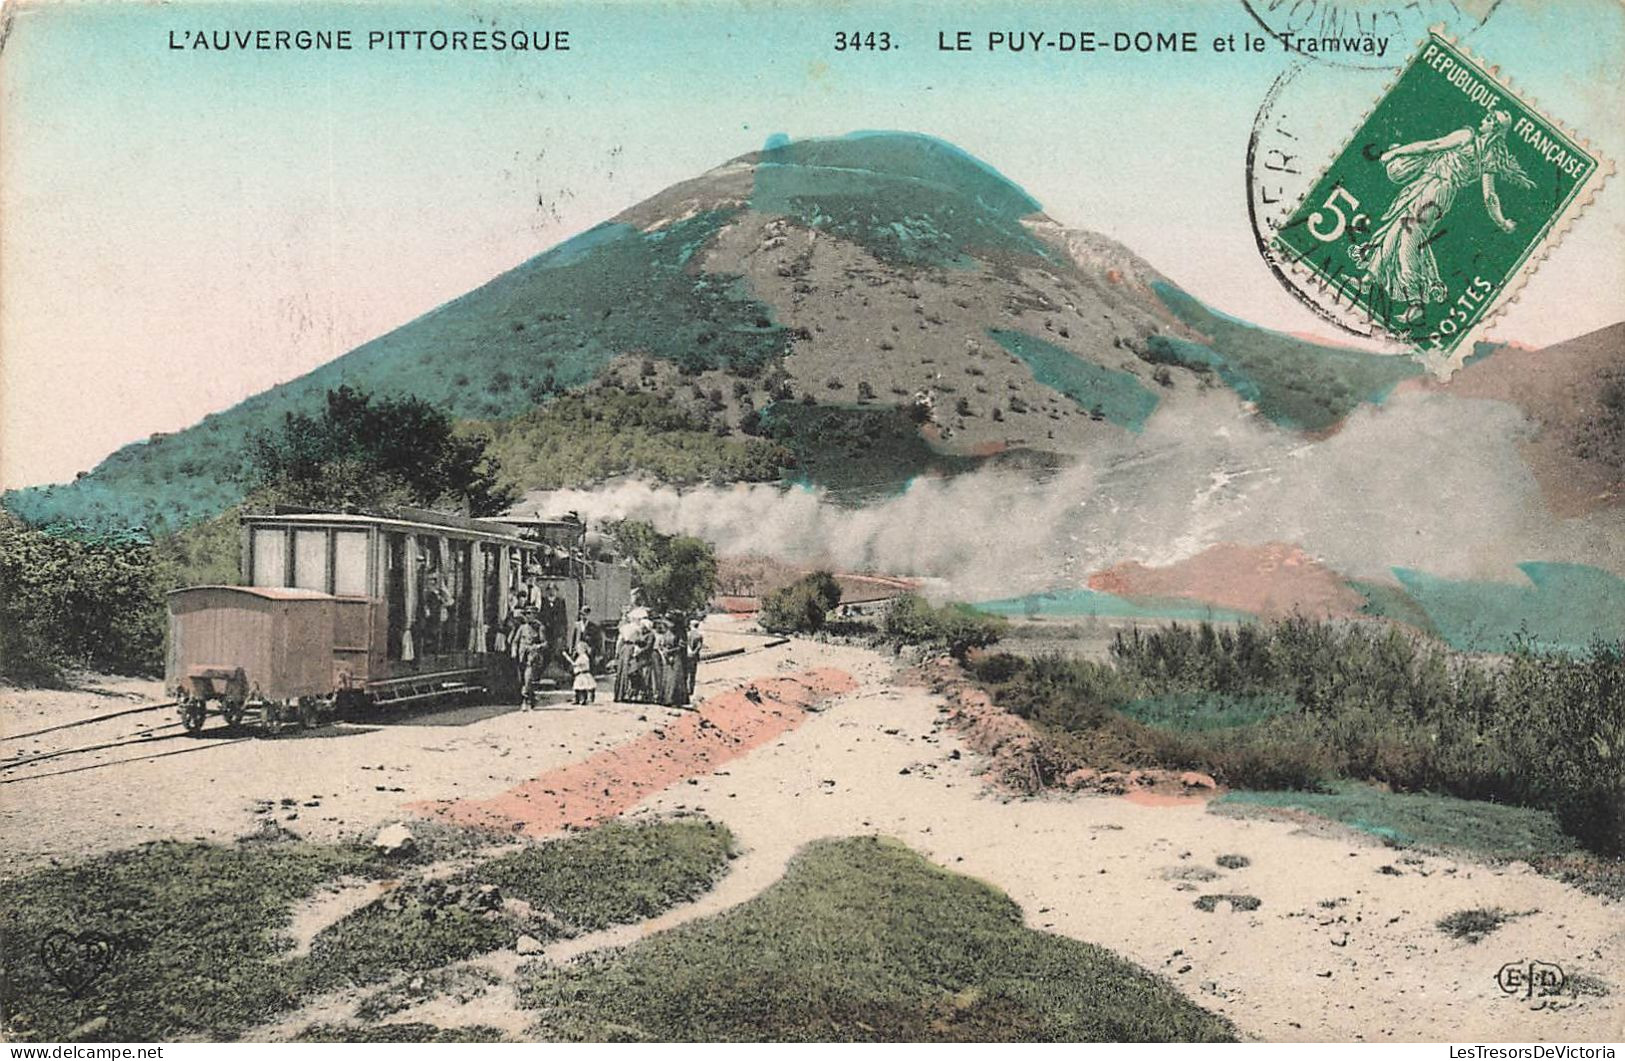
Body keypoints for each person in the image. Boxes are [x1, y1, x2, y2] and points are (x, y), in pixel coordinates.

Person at [1349, 109, 1533, 324]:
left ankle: (1415, 302)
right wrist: (1501, 221)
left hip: (1435, 190)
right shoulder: (1490, 156)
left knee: (1409, 239)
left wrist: (1396, 153)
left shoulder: (1467, 136)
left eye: (1490, 119)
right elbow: (1489, 195)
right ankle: (1368, 280)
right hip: (1433, 188)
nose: (1484, 119)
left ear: (1495, 128)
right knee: (1394, 230)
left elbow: (1430, 146)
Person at [519, 620, 547, 710]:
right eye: (527, 614)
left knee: (528, 677)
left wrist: (537, 646)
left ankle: (525, 699)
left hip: (533, 655)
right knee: (523, 678)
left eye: (531, 614)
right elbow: (515, 641)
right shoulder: (522, 628)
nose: (529, 616)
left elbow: (545, 643)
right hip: (522, 655)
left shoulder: (540, 628)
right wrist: (514, 650)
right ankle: (531, 698)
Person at [613, 607, 640, 702]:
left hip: (624, 648)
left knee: (622, 670)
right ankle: (631, 694)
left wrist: (616, 652)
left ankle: (620, 693)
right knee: (632, 670)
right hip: (632, 648)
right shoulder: (637, 628)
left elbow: (619, 641)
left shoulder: (623, 628)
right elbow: (639, 640)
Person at [684, 617, 705, 704]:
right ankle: (690, 689)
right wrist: (694, 652)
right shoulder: (699, 635)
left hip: (686, 655)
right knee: (692, 673)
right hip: (694, 656)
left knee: (686, 672)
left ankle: (686, 689)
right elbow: (699, 646)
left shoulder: (687, 634)